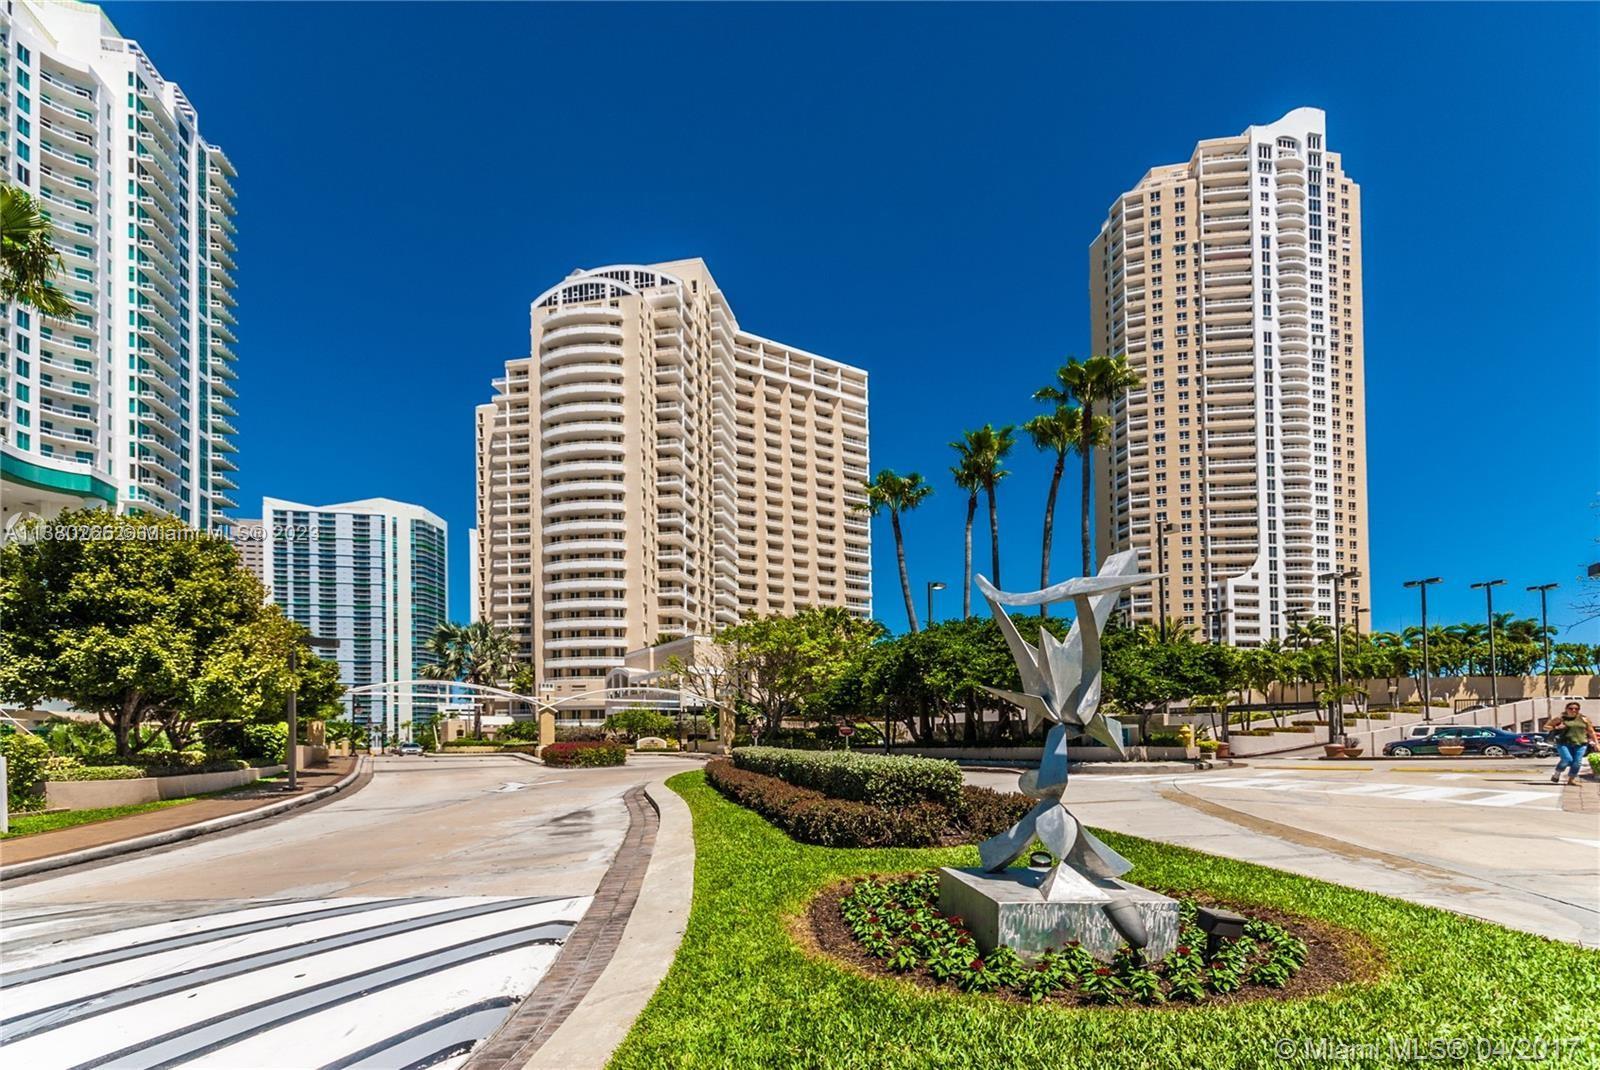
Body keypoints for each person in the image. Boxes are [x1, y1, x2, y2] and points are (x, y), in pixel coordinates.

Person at [1543, 702, 1597, 786]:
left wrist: (1596, 743)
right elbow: (1545, 727)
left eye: (1576, 709)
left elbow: (1591, 732)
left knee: (1577, 762)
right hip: (1564, 743)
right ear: (1566, 709)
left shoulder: (1584, 719)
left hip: (1581, 743)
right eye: (1571, 708)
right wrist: (1556, 727)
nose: (1573, 710)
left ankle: (1571, 780)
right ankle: (1557, 773)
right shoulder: (1560, 718)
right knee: (1567, 760)